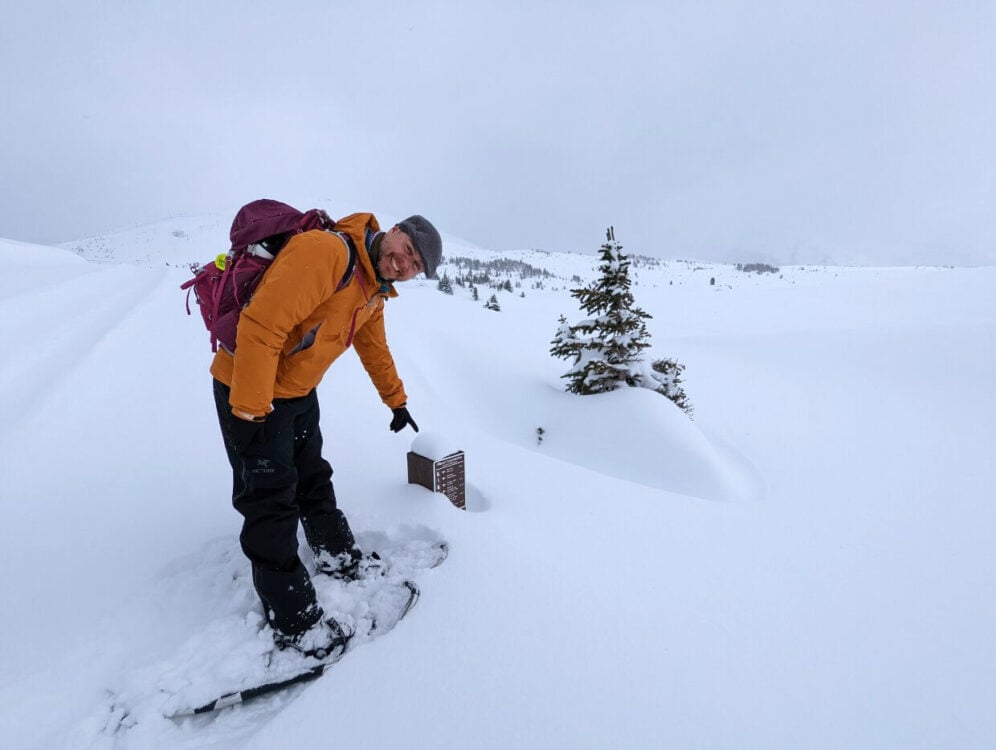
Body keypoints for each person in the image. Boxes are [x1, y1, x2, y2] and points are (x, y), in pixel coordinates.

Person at [210, 212, 442, 658]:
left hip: (295, 390)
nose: (404, 264)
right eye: (407, 251)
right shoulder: (327, 253)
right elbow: (262, 324)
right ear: (394, 231)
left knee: (312, 476)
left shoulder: (372, 287)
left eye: (415, 266)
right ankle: (296, 623)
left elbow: (374, 348)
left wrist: (396, 401)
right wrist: (249, 406)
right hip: (250, 388)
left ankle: (337, 554)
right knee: (270, 499)